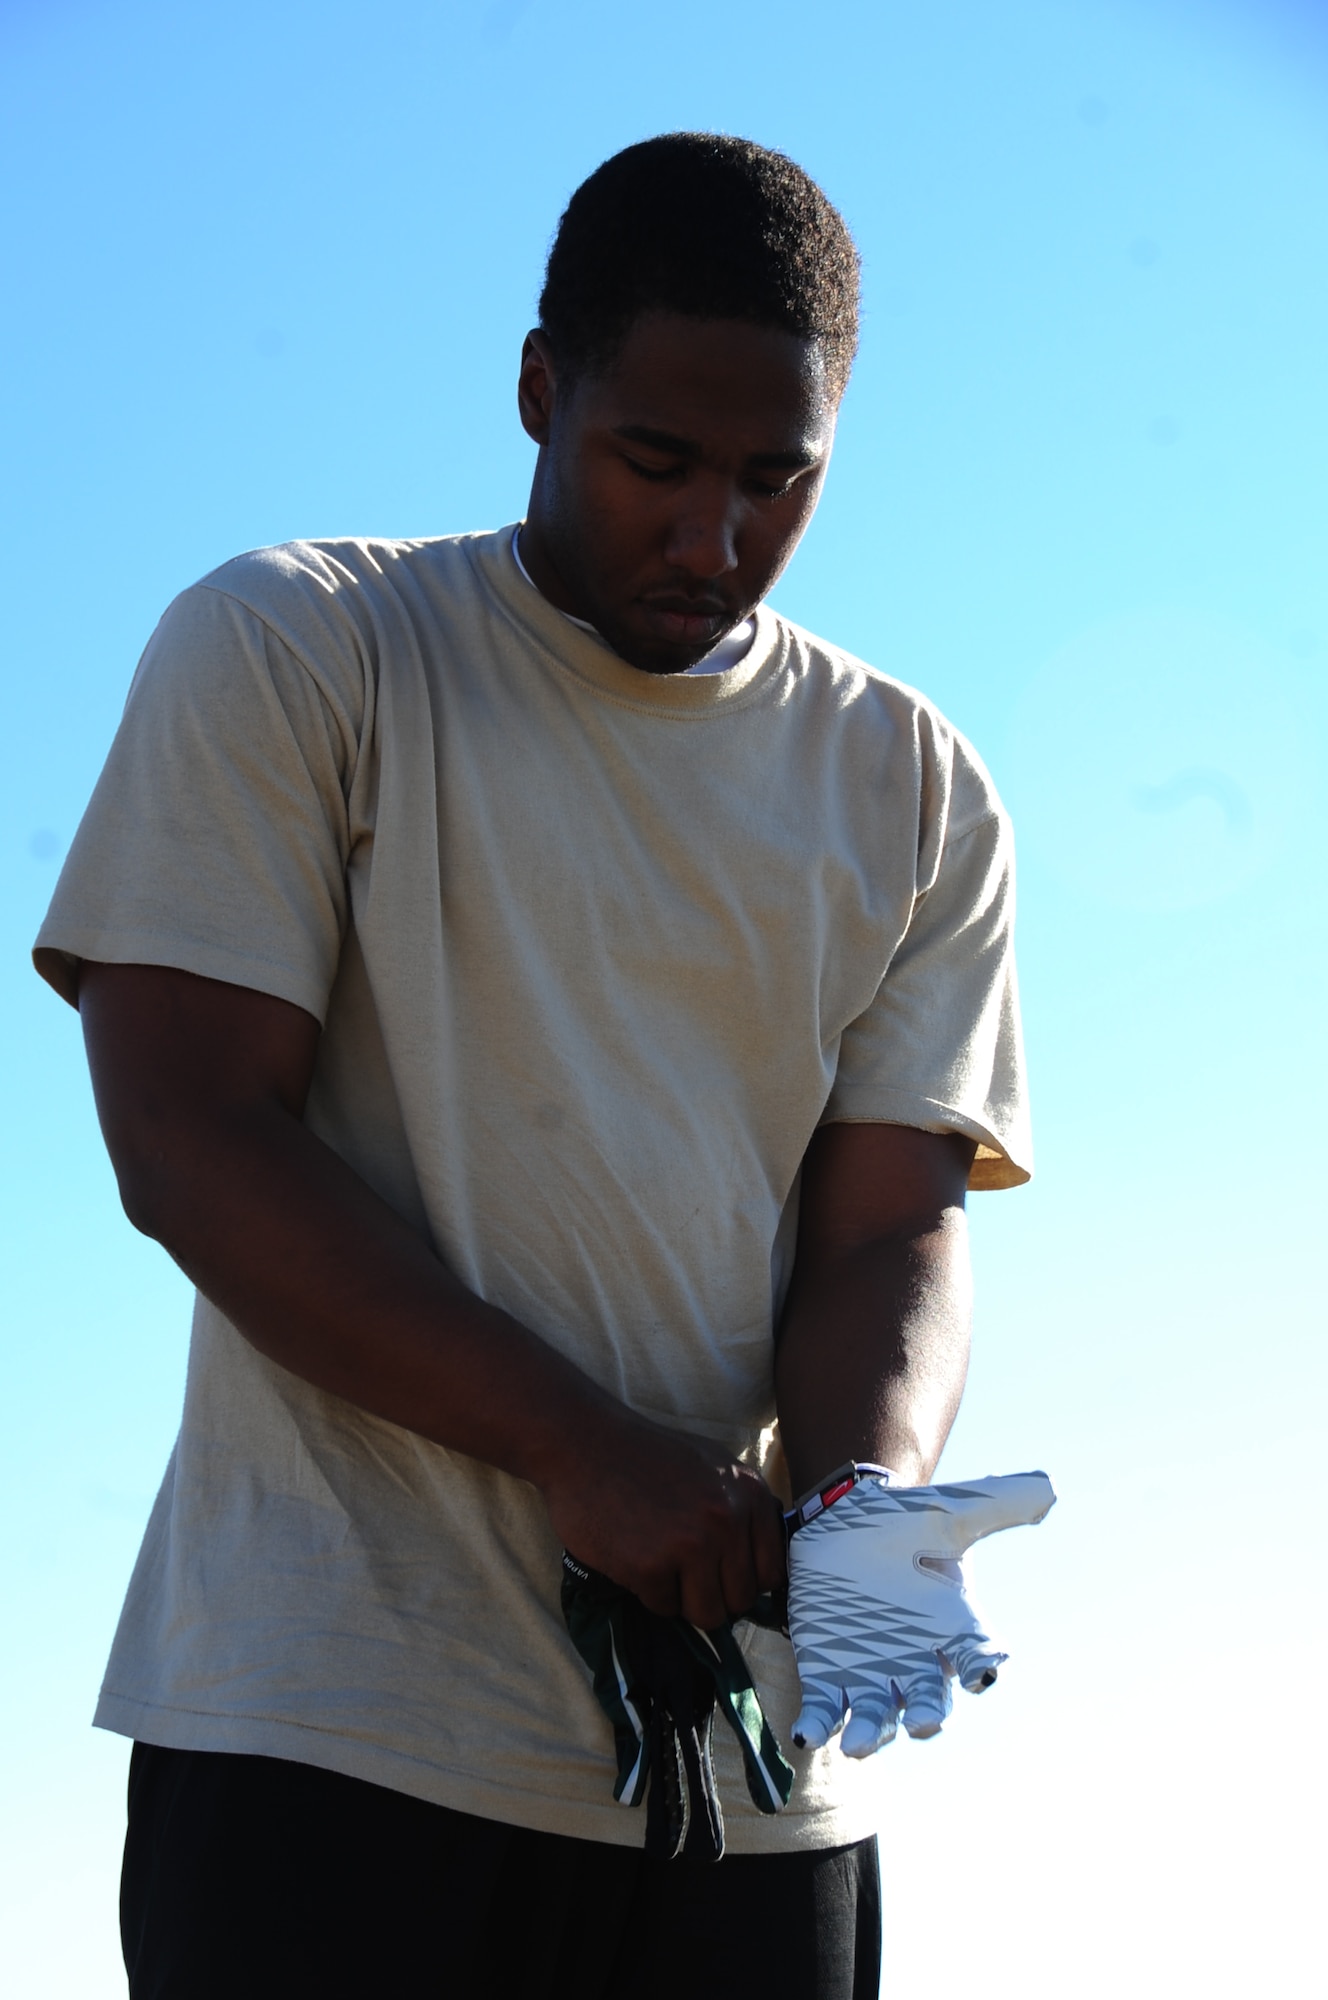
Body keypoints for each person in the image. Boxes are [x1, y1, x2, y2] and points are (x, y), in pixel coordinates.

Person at [35, 133, 1034, 1998]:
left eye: (777, 480)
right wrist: (583, 1450)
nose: (714, 536)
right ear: (535, 388)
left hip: (753, 1794)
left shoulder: (917, 783)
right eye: (655, 460)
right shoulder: (298, 646)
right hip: (331, 1737)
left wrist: (863, 1509)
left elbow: (892, 1230)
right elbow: (183, 1134)